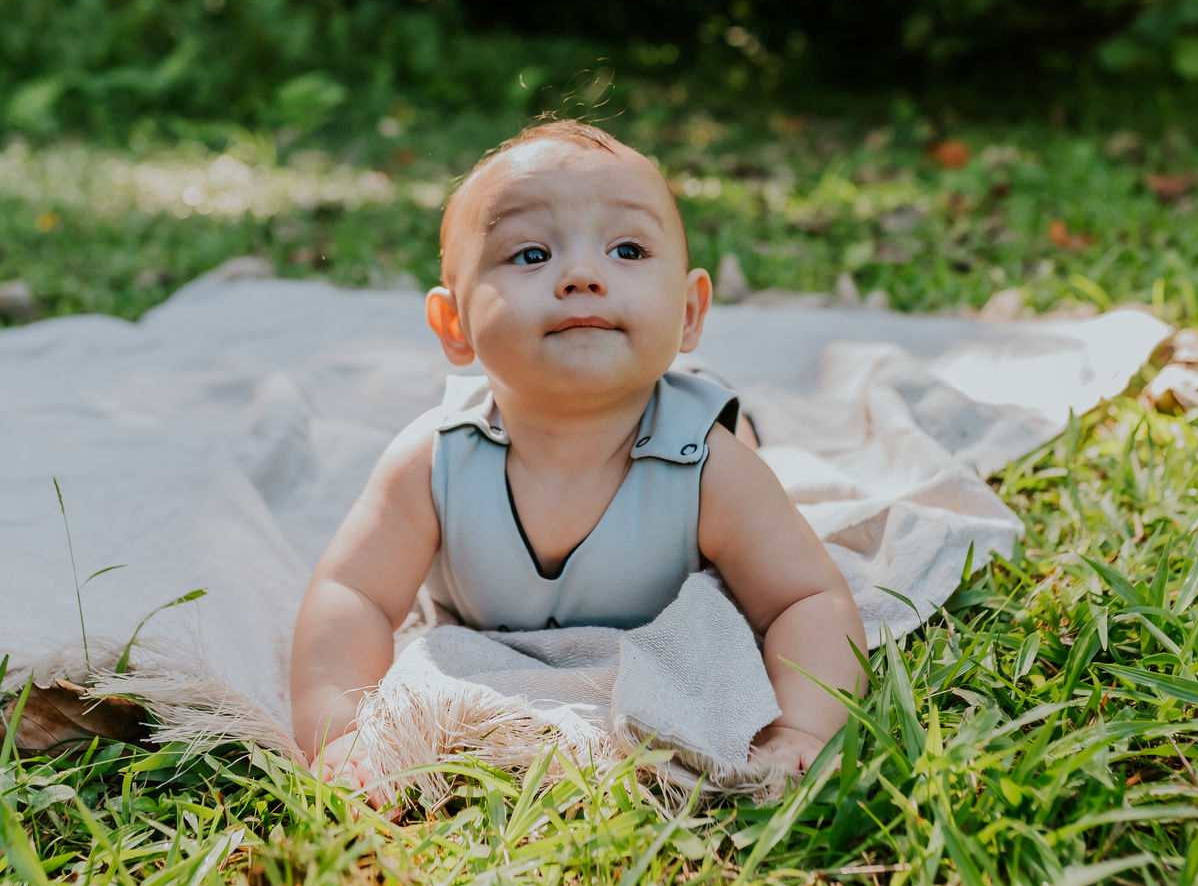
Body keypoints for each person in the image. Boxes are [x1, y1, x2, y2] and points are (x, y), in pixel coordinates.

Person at [290, 119, 867, 797]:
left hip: (685, 430)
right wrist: (340, 730)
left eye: (627, 249)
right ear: (455, 327)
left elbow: (805, 597)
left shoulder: (707, 464)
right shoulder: (433, 460)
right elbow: (351, 595)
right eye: (531, 255)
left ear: (687, 312)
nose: (583, 276)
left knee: (745, 447)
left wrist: (802, 728)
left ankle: (731, 405)